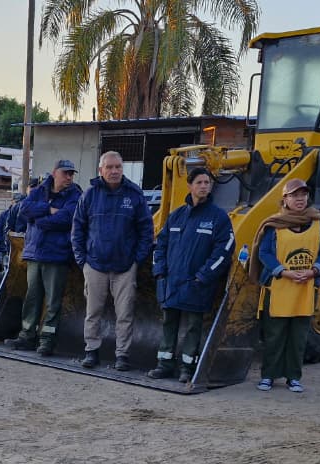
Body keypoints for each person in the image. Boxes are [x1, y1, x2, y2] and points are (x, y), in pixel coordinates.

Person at [147, 167, 235, 382]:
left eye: (207, 183)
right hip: (172, 282)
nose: (204, 186)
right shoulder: (176, 216)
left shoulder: (218, 218)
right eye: (199, 183)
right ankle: (164, 364)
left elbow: (224, 250)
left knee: (193, 327)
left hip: (198, 284)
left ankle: (187, 368)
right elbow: (160, 245)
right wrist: (160, 272)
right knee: (169, 323)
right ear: (190, 186)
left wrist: (203, 276)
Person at [71, 151, 154, 370]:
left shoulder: (134, 195)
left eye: (118, 167)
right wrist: (82, 260)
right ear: (101, 170)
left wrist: (136, 259)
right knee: (93, 312)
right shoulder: (89, 195)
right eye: (109, 167)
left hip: (124, 267)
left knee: (125, 314)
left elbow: (147, 230)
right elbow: (77, 228)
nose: (114, 171)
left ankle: (122, 355)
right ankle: (91, 351)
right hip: (95, 264)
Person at [252, 178, 320, 391]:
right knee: (274, 335)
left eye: (303, 195)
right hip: (278, 287)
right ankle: (268, 376)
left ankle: (294, 377)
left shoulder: (318, 222)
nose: (300, 199)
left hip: (305, 288)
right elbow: (264, 253)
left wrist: (314, 270)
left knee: (298, 336)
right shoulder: (274, 224)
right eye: (295, 195)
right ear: (285, 199)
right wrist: (283, 272)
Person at [12, 160, 82, 355]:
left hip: (57, 255)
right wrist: (48, 210)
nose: (69, 177)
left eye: (71, 174)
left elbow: (66, 218)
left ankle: (47, 340)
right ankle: (27, 336)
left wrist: (39, 218)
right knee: (32, 297)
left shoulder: (75, 195)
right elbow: (24, 210)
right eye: (65, 173)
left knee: (53, 301)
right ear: (54, 173)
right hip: (35, 254)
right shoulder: (39, 191)